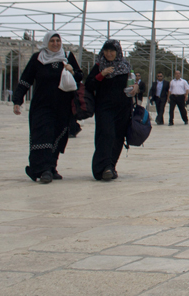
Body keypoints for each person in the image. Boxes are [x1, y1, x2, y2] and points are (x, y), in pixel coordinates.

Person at [12, 31, 83, 183]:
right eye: (52, 41)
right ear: (46, 43)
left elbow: (79, 77)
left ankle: (51, 166)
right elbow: (25, 80)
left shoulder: (67, 57)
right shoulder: (37, 59)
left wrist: (72, 70)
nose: (56, 44)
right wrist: (17, 100)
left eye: (58, 40)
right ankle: (42, 169)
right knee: (43, 134)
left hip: (62, 106)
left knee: (57, 135)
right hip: (42, 105)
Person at [86, 40, 138, 181]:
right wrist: (101, 75)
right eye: (106, 51)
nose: (109, 54)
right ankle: (101, 168)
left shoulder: (125, 66)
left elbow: (133, 81)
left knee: (118, 137)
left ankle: (111, 167)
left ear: (118, 52)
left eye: (112, 51)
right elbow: (89, 85)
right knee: (106, 135)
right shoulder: (99, 66)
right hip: (104, 107)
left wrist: (136, 87)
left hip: (123, 108)